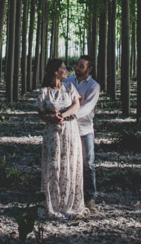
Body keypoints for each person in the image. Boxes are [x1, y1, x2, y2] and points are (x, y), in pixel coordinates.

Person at [35, 58, 85, 218]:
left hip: (70, 131)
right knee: (53, 166)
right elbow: (40, 112)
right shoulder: (44, 91)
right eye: (64, 68)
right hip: (52, 134)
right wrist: (51, 117)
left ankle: (70, 203)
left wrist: (62, 115)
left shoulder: (70, 87)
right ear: (56, 71)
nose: (67, 70)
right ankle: (53, 204)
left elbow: (76, 105)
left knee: (70, 165)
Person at [63, 55, 100, 211]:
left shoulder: (93, 86)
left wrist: (70, 115)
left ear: (89, 69)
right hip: (66, 129)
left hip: (84, 129)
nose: (77, 68)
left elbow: (87, 107)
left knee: (88, 164)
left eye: (81, 66)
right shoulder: (67, 81)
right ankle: (69, 196)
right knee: (68, 163)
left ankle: (90, 198)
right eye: (77, 65)